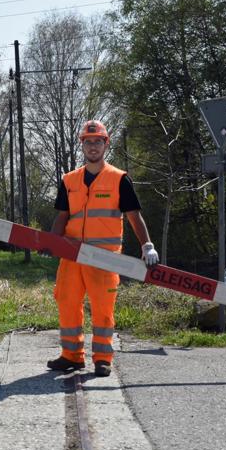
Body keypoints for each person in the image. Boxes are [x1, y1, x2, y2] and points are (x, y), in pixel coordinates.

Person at [46, 120, 159, 377]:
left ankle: (102, 359)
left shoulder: (119, 179)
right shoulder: (69, 180)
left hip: (105, 259)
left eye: (98, 142)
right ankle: (72, 355)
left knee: (102, 308)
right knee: (67, 302)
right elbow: (62, 216)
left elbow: (134, 216)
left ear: (106, 144)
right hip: (72, 255)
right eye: (88, 142)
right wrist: (53, 242)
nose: (93, 146)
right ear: (82, 146)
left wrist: (147, 246)